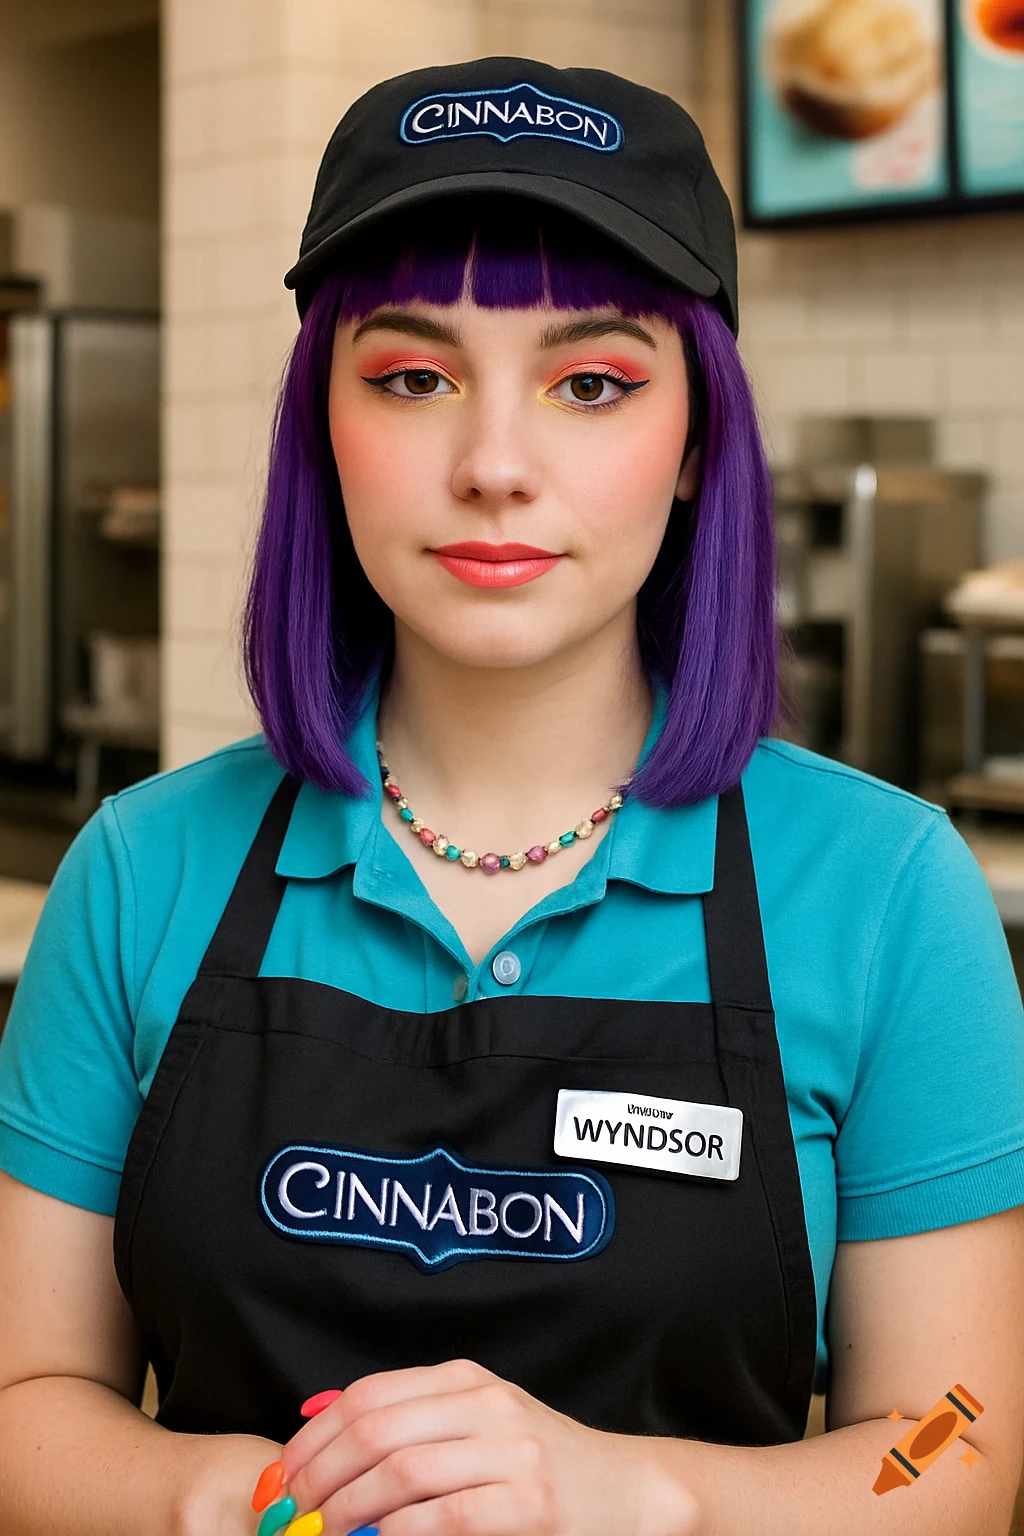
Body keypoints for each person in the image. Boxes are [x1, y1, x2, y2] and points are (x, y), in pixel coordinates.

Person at [1, 55, 1024, 1536]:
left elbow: (958, 1442)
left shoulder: (883, 890)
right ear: (323, 434)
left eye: (592, 384)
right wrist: (270, 1502)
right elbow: (26, 1402)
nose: (493, 464)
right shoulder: (141, 868)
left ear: (694, 446)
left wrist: (637, 1495)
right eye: (411, 378)